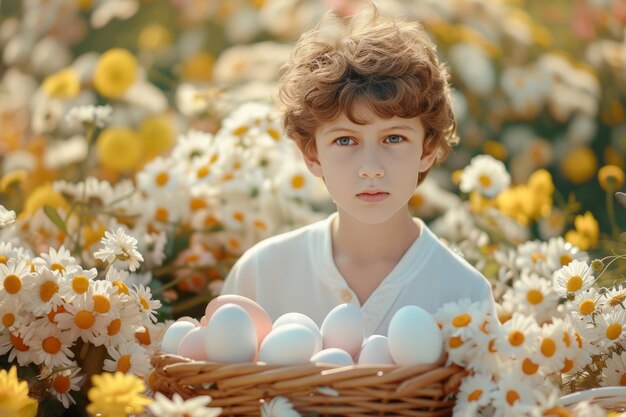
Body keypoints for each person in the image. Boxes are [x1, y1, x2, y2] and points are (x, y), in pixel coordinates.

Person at [221, 3, 496, 335]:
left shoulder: (463, 292)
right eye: (345, 141)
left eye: (393, 138)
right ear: (312, 155)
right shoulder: (262, 274)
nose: (370, 168)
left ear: (428, 149)